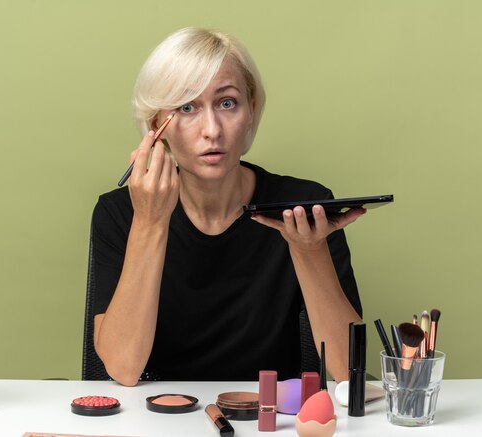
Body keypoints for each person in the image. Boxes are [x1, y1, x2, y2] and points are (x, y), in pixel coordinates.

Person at [88, 27, 365, 387]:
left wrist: (308, 249)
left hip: (271, 418)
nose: (212, 130)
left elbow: (348, 370)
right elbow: (123, 368)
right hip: (158, 417)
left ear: (251, 109)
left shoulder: (303, 208)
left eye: (227, 103)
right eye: (187, 108)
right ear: (158, 126)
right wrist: (151, 221)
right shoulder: (119, 213)